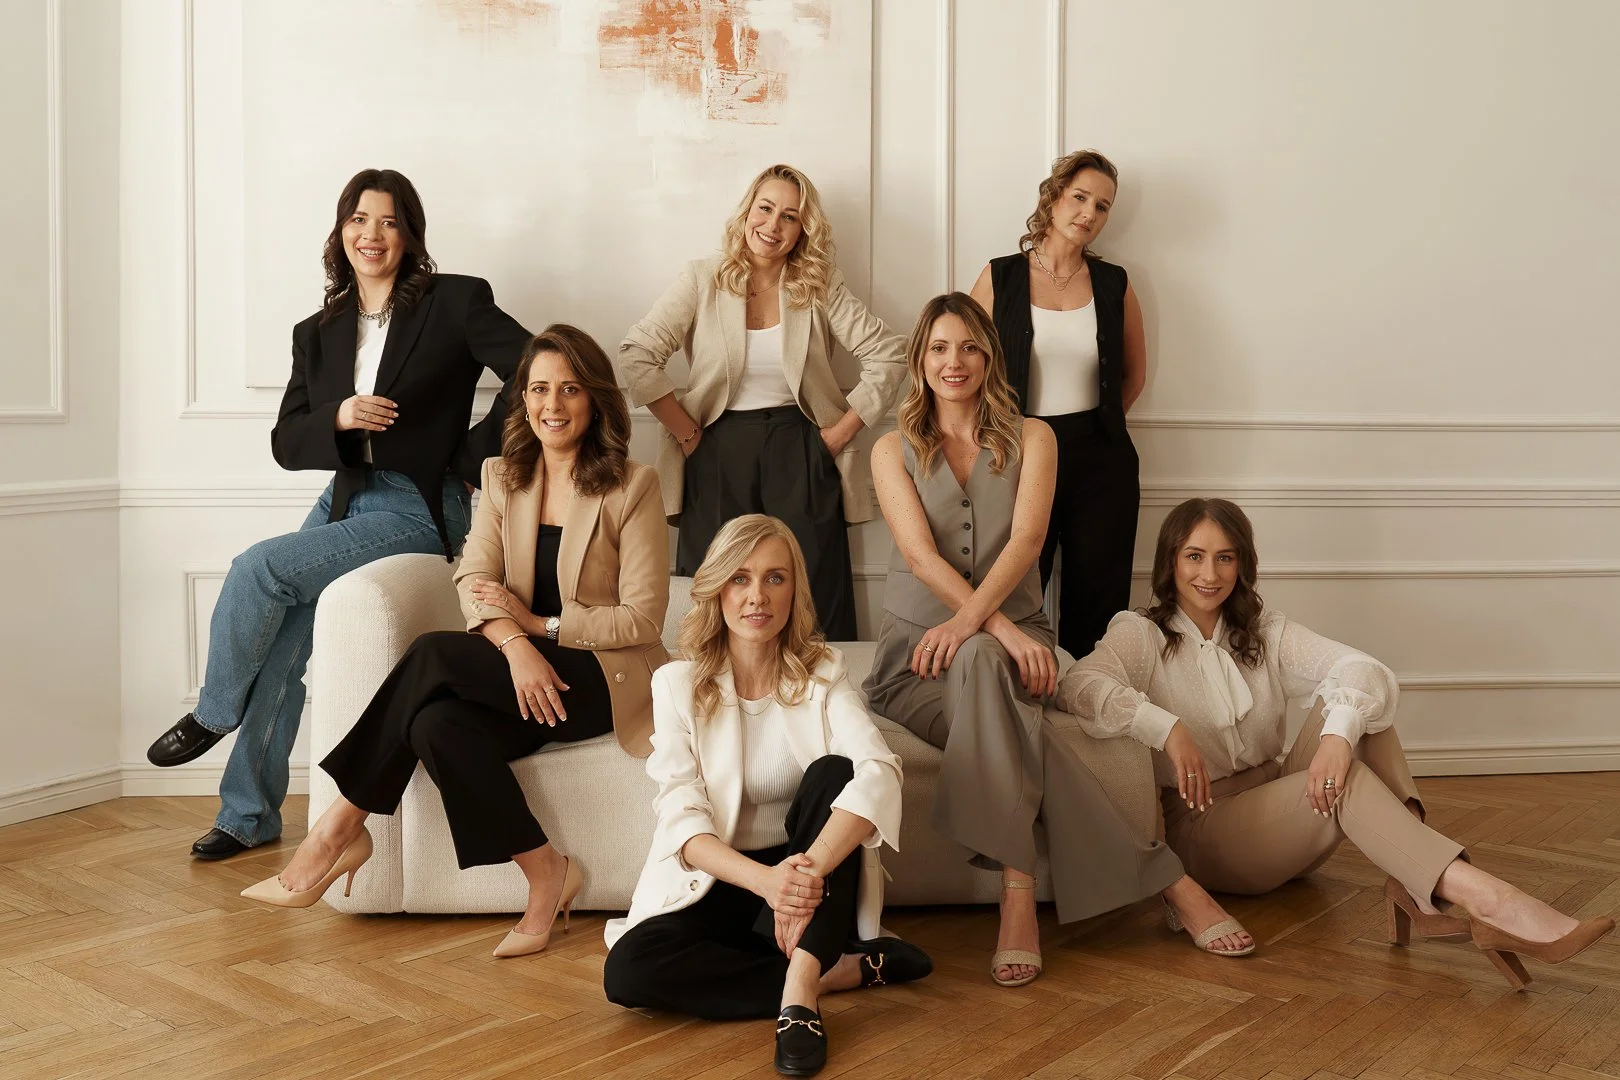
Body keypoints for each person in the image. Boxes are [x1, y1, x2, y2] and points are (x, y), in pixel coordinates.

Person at [1058, 497, 1615, 989]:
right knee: (1344, 763)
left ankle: (1419, 879)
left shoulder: (1263, 630)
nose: (1210, 573)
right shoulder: (1140, 632)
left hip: (1280, 802)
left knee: (1360, 706)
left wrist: (1336, 735)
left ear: (1243, 564)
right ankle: (1487, 899)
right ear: (1170, 561)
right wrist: (1166, 727)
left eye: (1225, 557)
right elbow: (1078, 686)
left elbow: (1363, 669)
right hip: (1204, 828)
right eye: (1195, 556)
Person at [240, 325, 670, 961]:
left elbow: (642, 619)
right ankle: (548, 872)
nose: (553, 404)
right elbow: (474, 578)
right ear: (523, 398)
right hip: (519, 666)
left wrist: (538, 629)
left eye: (571, 389)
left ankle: (337, 830)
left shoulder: (632, 486)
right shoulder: (502, 476)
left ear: (595, 400)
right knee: (436, 725)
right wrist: (514, 645)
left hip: (601, 679)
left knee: (435, 653)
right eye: (540, 388)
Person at [861, 293, 1253, 990]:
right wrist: (999, 628)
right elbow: (920, 558)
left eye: (970, 348)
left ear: (990, 359)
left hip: (1003, 652)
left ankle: (1021, 899)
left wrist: (990, 633)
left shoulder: (1032, 438)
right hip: (917, 659)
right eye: (940, 349)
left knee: (984, 662)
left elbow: (1029, 541)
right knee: (1004, 695)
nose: (956, 362)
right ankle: (1161, 883)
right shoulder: (890, 449)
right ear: (921, 361)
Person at [145, 169, 532, 860]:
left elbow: (536, 368)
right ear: (340, 231)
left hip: (421, 504)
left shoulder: (455, 302)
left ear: (408, 233)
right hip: (345, 495)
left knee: (256, 567)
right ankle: (249, 815)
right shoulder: (317, 332)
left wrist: (468, 458)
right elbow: (287, 440)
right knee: (284, 647)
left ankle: (212, 714)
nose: (371, 234)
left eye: (387, 221)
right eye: (358, 219)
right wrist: (341, 417)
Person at [602, 515, 928, 1078]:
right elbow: (683, 820)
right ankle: (842, 971)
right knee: (627, 973)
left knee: (836, 771)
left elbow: (881, 770)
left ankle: (801, 992)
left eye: (775, 578)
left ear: (794, 589)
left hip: (811, 874)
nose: (758, 596)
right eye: (741, 579)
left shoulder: (824, 670)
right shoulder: (676, 685)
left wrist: (802, 875)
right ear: (718, 590)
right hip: (728, 879)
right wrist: (768, 884)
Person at [619, 163, 907, 641]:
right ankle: (707, 701)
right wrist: (688, 434)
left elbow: (890, 356)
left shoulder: (818, 283)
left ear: (802, 230)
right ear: (747, 211)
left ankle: (822, 700)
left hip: (801, 447)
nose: (772, 226)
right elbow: (637, 355)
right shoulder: (702, 278)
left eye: (789, 217)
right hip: (714, 448)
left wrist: (837, 436)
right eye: (766, 209)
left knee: (813, 590)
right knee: (712, 590)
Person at [969, 149, 1144, 658]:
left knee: (1100, 594)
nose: (1090, 213)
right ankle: (1020, 698)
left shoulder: (1114, 284)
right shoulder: (999, 277)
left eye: (1103, 206)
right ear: (1053, 198)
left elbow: (1134, 373)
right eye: (1080, 197)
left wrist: (1099, 433)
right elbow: (965, 365)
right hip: (1018, 451)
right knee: (1017, 586)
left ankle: (1093, 709)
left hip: (1100, 454)